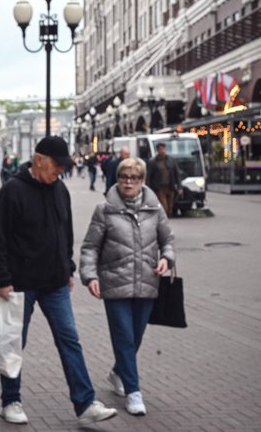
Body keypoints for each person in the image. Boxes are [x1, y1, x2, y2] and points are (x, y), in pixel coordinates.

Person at [0, 136, 117, 427]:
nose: (60, 172)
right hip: (20, 284)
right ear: (40, 159)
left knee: (70, 340)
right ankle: (10, 401)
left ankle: (85, 403)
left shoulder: (60, 189)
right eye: (57, 166)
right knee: (13, 343)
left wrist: (67, 268)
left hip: (55, 282)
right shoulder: (12, 192)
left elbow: (65, 232)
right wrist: (2, 278)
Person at [79, 157, 175, 416]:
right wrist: (90, 276)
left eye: (134, 178)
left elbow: (167, 240)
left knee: (136, 337)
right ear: (117, 179)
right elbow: (90, 247)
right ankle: (134, 392)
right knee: (124, 337)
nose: (128, 182)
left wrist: (166, 258)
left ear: (142, 180)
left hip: (147, 281)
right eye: (124, 177)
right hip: (114, 283)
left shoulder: (155, 208)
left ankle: (118, 373)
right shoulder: (104, 210)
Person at [146, 142, 182, 217]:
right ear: (158, 150)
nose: (162, 151)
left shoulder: (171, 160)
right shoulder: (153, 162)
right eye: (161, 149)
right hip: (160, 188)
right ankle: (164, 219)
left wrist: (179, 187)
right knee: (164, 206)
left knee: (170, 207)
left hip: (170, 186)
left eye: (164, 149)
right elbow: (149, 176)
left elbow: (177, 174)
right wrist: (148, 189)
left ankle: (168, 215)